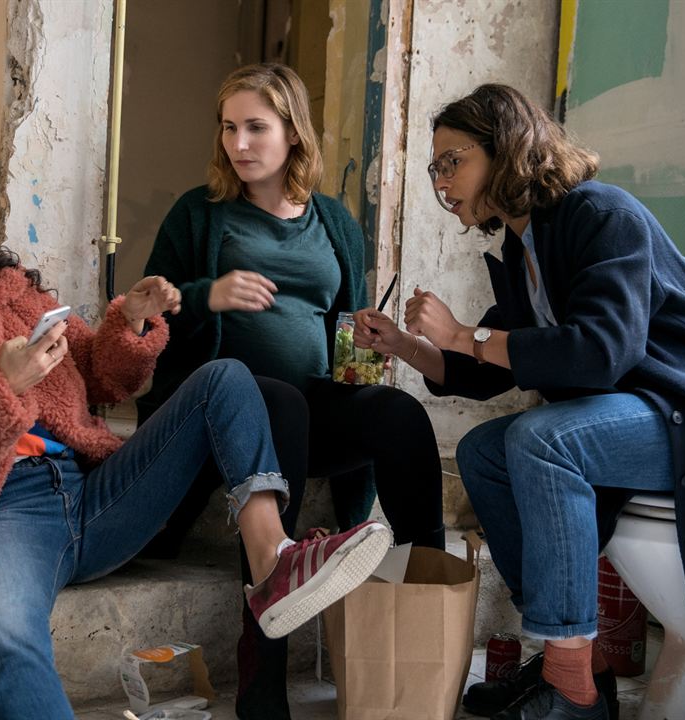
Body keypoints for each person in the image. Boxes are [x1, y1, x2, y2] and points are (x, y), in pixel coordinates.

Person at [0, 153, 393, 720]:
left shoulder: (2, 290)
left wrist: (133, 321)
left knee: (224, 379)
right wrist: (1, 389)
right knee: (3, 631)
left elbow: (99, 376)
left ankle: (274, 560)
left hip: (96, 488)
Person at [356, 84, 685, 720]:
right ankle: (577, 663)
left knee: (540, 439)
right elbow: (491, 368)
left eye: (451, 161)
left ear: (505, 150)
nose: (441, 181)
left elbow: (603, 352)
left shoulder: (603, 214)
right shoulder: (526, 247)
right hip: (652, 407)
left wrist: (465, 333)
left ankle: (571, 689)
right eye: (436, 167)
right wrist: (409, 346)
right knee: (485, 451)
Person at [138, 63, 445, 720]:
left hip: (309, 405)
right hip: (223, 414)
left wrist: (370, 347)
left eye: (256, 127)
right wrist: (206, 295)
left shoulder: (333, 221)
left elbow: (349, 339)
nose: (238, 144)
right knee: (279, 401)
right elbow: (139, 321)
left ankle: (430, 604)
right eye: (229, 128)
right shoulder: (198, 214)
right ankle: (263, 672)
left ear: (293, 134)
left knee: (398, 413)